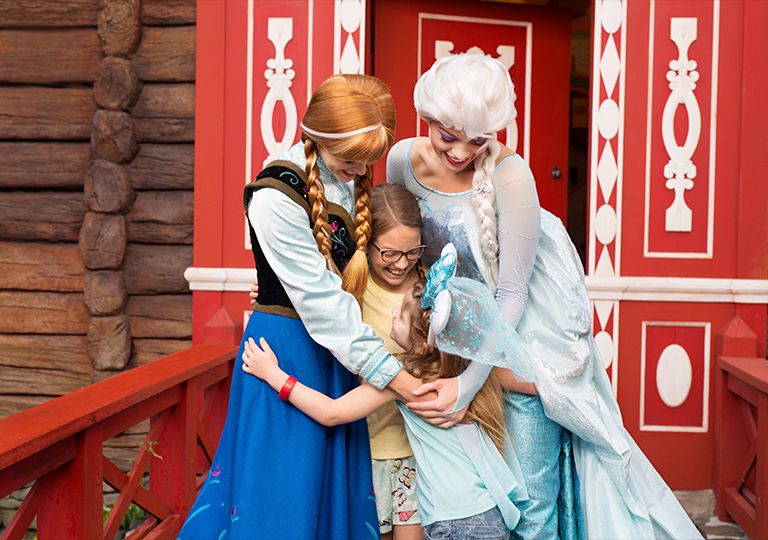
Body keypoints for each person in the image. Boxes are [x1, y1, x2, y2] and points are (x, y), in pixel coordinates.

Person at [387, 53, 703, 540]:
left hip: (519, 359)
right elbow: (393, 246)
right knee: (463, 508)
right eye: (448, 136)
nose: (461, 153)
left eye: (478, 140)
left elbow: (512, 295)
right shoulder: (401, 161)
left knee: (532, 514)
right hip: (444, 352)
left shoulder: (512, 177)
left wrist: (468, 387)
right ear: (426, 117)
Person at [178, 74, 423, 540]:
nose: (360, 170)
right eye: (351, 160)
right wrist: (405, 381)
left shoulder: (348, 178)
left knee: (330, 501)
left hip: (337, 355)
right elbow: (325, 305)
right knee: (281, 499)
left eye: (366, 161)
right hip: (289, 352)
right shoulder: (275, 195)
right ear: (318, 138)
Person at [242, 244, 534, 539]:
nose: (394, 311)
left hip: (455, 522)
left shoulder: (409, 385)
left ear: (422, 346)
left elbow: (331, 413)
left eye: (402, 313)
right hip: (488, 512)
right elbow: (521, 378)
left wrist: (275, 376)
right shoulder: (463, 378)